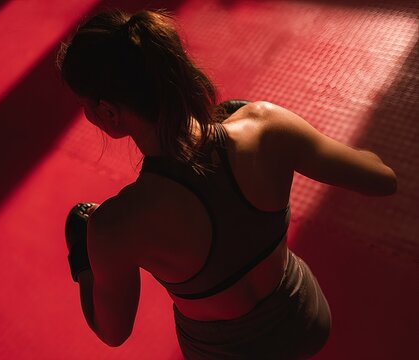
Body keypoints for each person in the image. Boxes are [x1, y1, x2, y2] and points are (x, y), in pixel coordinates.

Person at [58, 9, 397, 360]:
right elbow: (382, 179)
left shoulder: (114, 226)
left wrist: (84, 262)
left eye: (87, 107)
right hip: (304, 320)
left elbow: (112, 333)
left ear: (109, 112)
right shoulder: (265, 125)